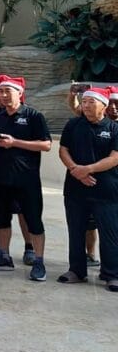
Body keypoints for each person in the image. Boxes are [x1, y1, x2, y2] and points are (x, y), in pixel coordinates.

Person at [0, 75, 52, 281]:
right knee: (1, 218)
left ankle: (38, 261)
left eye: (7, 91)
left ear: (20, 93)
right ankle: (4, 256)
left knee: (33, 220)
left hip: (26, 179)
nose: (2, 95)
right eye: (0, 91)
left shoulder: (33, 116)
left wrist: (15, 142)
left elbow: (46, 145)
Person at [57, 87, 118, 289]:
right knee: (76, 230)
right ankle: (76, 270)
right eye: (84, 102)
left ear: (104, 105)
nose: (86, 105)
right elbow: (63, 149)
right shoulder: (73, 125)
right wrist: (76, 169)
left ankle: (111, 274)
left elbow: (114, 158)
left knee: (109, 233)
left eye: (92, 102)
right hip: (75, 190)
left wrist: (87, 170)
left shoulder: (114, 128)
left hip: (107, 192)